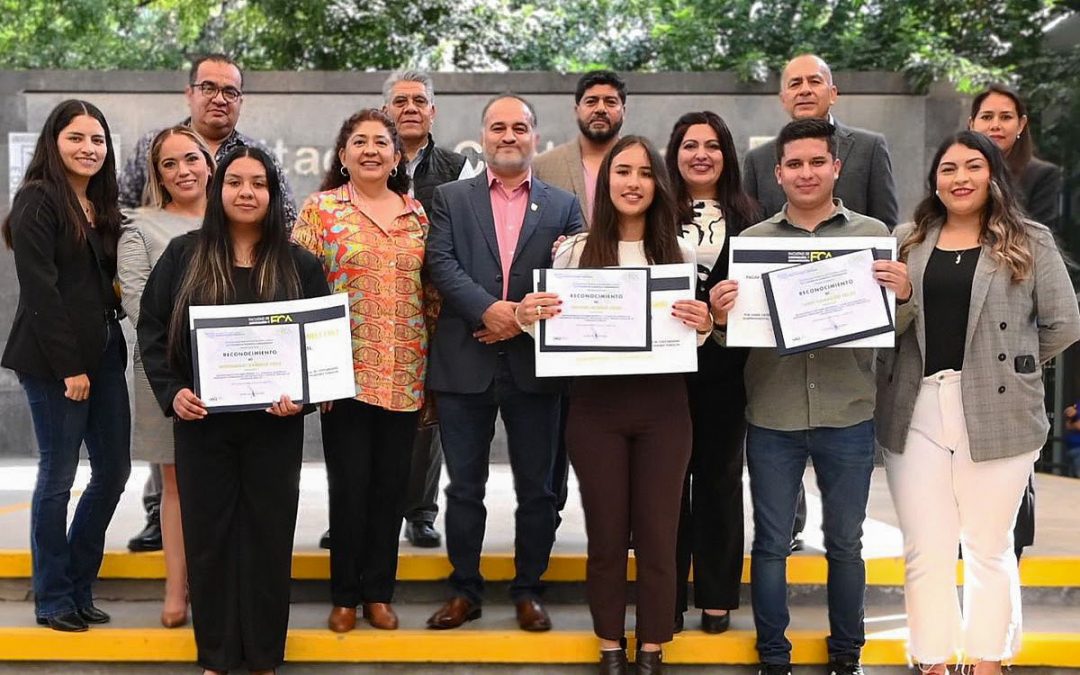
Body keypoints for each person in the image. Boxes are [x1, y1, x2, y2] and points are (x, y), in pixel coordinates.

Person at [876, 130, 1080, 675]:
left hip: (999, 407)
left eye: (972, 166)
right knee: (927, 548)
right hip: (915, 405)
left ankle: (988, 660)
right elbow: (884, 330)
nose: (959, 178)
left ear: (993, 174)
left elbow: (1064, 321)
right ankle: (933, 660)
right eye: (947, 169)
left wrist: (1012, 364)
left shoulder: (1029, 240)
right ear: (934, 180)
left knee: (989, 547)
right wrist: (901, 301)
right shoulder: (907, 239)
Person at [709, 118, 906, 675]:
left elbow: (897, 323)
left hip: (848, 412)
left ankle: (847, 653)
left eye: (817, 161)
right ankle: (774, 653)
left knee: (846, 543)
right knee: (771, 543)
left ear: (836, 166)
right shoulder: (752, 244)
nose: (806, 172)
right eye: (793, 164)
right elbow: (733, 337)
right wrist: (723, 317)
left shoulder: (870, 235)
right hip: (773, 413)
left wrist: (905, 293)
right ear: (778, 173)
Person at [519, 136, 712, 674]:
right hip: (596, 412)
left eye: (645, 173)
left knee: (658, 533)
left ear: (658, 184)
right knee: (605, 534)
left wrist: (705, 324)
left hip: (664, 410)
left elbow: (689, 338)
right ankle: (609, 643)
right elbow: (554, 334)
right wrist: (535, 316)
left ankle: (651, 647)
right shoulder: (575, 251)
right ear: (605, 184)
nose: (633, 182)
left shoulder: (680, 251)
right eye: (622, 172)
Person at [138, 147, 329, 675]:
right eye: (236, 182)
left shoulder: (300, 264)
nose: (247, 192)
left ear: (273, 194)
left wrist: (305, 397)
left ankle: (265, 654)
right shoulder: (184, 255)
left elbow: (323, 348)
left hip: (276, 425)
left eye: (259, 183)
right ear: (219, 191)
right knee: (210, 539)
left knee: (269, 537)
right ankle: (217, 655)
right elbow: (152, 334)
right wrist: (173, 392)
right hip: (203, 425)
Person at [120, 53, 300, 555]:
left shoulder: (258, 155)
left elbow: (281, 228)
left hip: (253, 337)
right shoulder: (155, 149)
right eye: (209, 87)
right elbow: (130, 220)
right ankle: (159, 517)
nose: (219, 98)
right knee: (176, 458)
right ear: (190, 93)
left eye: (231, 91)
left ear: (241, 100)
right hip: (180, 341)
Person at [424, 94, 583, 632]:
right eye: (498, 127)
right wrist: (490, 309)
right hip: (463, 361)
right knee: (463, 487)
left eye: (519, 127)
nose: (508, 136)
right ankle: (465, 590)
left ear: (535, 136)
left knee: (538, 488)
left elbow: (573, 274)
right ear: (483, 136)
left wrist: (514, 320)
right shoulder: (448, 198)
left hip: (536, 366)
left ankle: (527, 589)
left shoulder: (563, 206)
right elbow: (440, 263)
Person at [742, 53, 899, 550]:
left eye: (815, 81)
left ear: (834, 92)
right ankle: (790, 525)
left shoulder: (870, 148)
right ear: (783, 96)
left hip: (847, 324)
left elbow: (885, 232)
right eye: (794, 83)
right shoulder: (759, 159)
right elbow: (753, 238)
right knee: (783, 421)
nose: (805, 89)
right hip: (782, 330)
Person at [292, 109, 432, 633]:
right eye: (359, 141)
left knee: (391, 490)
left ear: (398, 156)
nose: (371, 149)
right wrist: (309, 373)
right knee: (349, 488)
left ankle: (379, 592)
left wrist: (432, 372)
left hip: (406, 370)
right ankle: (345, 595)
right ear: (344, 154)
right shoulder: (321, 210)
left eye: (381, 142)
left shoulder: (418, 215)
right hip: (341, 375)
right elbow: (296, 289)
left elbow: (432, 296)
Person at [2, 99, 131, 633]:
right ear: (54, 142)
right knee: (58, 477)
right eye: (77, 138)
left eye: (97, 140)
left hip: (104, 353)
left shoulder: (101, 205)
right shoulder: (38, 199)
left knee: (114, 472)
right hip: (58, 361)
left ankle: (79, 584)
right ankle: (53, 597)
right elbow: (40, 291)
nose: (89, 149)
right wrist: (69, 367)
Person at [118, 125, 214, 629]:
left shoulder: (239, 218)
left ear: (208, 162)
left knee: (225, 483)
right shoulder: (141, 226)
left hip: (236, 372)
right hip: (167, 372)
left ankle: (216, 581)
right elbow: (138, 304)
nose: (183, 171)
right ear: (157, 175)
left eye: (191, 159)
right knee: (175, 484)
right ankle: (177, 589)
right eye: (169, 164)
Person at [665, 112, 757, 635]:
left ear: (727, 155)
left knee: (720, 479)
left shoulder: (754, 219)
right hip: (666, 368)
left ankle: (718, 596)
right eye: (690, 145)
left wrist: (721, 316)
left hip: (727, 366)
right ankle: (670, 595)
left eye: (713, 145)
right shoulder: (655, 213)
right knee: (669, 484)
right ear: (673, 154)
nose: (701, 154)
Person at [381, 69, 474, 550]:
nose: (410, 108)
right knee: (367, 415)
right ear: (386, 111)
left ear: (433, 112)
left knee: (427, 413)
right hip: (376, 306)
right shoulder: (370, 159)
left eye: (420, 100)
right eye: (401, 101)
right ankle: (362, 507)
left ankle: (419, 510)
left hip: (437, 305)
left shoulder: (459, 168)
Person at [533, 69, 627, 226]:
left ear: (624, 111)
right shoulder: (542, 167)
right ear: (577, 111)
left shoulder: (645, 165)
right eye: (591, 101)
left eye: (610, 102)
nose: (600, 109)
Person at [969, 84, 1062, 232]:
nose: (995, 125)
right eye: (986, 117)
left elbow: (1039, 239)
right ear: (972, 125)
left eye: (1005, 117)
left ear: (1021, 125)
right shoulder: (954, 172)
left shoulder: (1041, 175)